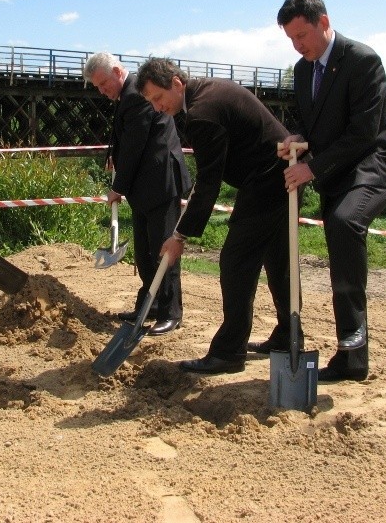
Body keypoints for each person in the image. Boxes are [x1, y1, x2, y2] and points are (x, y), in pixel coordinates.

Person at [256, 0, 386, 381]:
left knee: (343, 223)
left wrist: (312, 168)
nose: (297, 44)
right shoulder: (303, 70)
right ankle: (351, 357)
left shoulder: (362, 61)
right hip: (338, 173)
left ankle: (353, 348)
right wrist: (296, 139)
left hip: (373, 165)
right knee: (338, 241)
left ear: (323, 22)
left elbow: (363, 133)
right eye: (290, 38)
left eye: (302, 35)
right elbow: (313, 122)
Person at [136, 57, 293, 374]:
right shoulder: (207, 93)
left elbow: (208, 181)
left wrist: (179, 236)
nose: (157, 107)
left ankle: (228, 352)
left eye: (158, 97)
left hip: (268, 181)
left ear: (176, 83)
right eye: (151, 102)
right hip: (280, 176)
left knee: (236, 262)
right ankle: (288, 336)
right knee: (277, 259)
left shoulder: (201, 113)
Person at [84, 52, 191, 335]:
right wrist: (113, 156)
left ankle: (171, 313)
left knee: (163, 251)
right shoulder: (128, 96)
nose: (102, 90)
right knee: (145, 253)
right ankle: (151, 305)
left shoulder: (136, 96)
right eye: (97, 87)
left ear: (118, 72)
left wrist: (117, 187)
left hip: (161, 183)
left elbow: (135, 144)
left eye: (104, 83)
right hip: (145, 187)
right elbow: (123, 138)